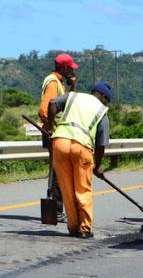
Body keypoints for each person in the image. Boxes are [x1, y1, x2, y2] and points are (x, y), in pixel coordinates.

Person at [45, 82, 112, 239]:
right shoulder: (102, 110)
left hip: (60, 142)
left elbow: (52, 103)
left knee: (66, 189)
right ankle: (84, 228)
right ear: (103, 97)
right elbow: (101, 144)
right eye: (107, 100)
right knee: (82, 189)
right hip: (81, 146)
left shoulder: (73, 96)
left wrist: (50, 126)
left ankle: (73, 226)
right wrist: (97, 165)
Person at [39, 53, 79, 221]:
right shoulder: (53, 83)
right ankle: (55, 209)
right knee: (58, 172)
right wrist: (49, 129)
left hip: (58, 133)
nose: (72, 71)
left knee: (59, 171)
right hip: (54, 133)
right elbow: (44, 109)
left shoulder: (60, 83)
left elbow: (66, 104)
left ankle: (58, 208)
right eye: (70, 68)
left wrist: (72, 87)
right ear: (63, 68)